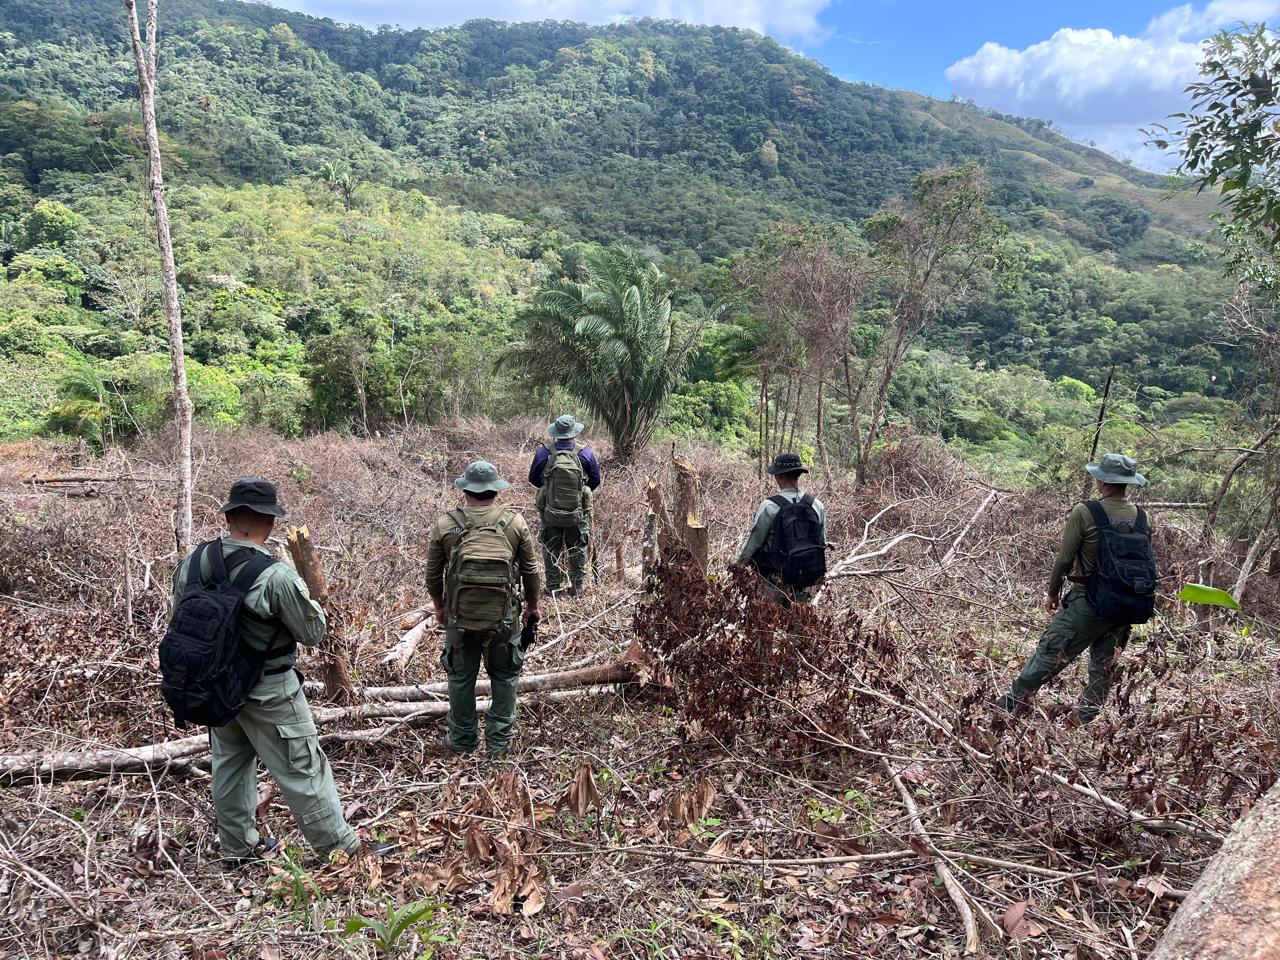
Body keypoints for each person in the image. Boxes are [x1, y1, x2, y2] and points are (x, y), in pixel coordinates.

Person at [170, 478, 386, 866]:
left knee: (230, 764)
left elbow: (181, 616)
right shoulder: (275, 576)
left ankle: (237, 849)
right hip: (269, 688)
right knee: (303, 766)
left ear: (231, 515)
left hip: (214, 685)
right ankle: (341, 852)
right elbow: (312, 632)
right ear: (270, 522)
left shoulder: (193, 563)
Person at [995, 453, 1155, 725]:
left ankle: (1012, 702)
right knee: (1104, 665)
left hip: (1087, 602)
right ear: (1127, 483)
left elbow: (1065, 559)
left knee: (1052, 651)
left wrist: (1053, 592)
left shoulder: (1086, 511)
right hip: (1125, 605)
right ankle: (1085, 718)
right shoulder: (1142, 517)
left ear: (1102, 481)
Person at [427, 461, 541, 759]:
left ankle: (463, 739)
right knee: (504, 677)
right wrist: (532, 607)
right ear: (496, 491)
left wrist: (440, 609)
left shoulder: (445, 524)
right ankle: (498, 745)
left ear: (465, 489)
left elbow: (432, 575)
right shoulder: (515, 523)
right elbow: (530, 572)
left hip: (459, 618)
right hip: (504, 618)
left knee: (460, 678)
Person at [737, 452, 829, 605]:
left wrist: (739, 566)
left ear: (779, 476)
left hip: (773, 583)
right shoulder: (816, 505)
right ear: (798, 474)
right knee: (799, 625)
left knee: (766, 626)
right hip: (804, 581)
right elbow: (822, 542)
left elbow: (754, 542)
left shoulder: (769, 506)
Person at [528, 414, 602, 597]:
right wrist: (577, 493)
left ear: (556, 433)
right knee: (578, 547)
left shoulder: (543, 453)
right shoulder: (586, 453)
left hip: (550, 511)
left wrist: (551, 491)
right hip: (578, 512)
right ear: (574, 432)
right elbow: (595, 481)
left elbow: (533, 478)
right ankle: (577, 587)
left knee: (550, 547)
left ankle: (553, 587)